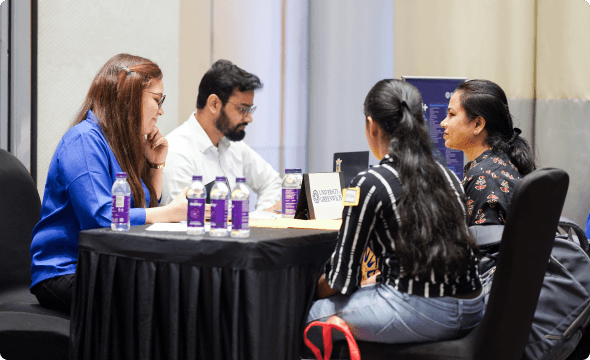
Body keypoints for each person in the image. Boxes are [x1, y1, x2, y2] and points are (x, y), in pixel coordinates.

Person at [305, 79, 483, 347]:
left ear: (371, 125)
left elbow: (341, 280)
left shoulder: (370, 183)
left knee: (309, 316)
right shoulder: (450, 176)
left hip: (423, 311)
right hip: (473, 308)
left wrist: (304, 291)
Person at [30, 54, 188, 313]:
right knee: (161, 297)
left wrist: (155, 167)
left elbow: (138, 213)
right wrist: (170, 213)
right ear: (130, 96)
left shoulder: (118, 143)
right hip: (64, 272)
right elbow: (101, 220)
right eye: (157, 99)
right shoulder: (83, 140)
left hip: (106, 266)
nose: (161, 110)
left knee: (178, 285)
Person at [161, 59, 281, 210]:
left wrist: (259, 219)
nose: (249, 118)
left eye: (250, 110)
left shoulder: (233, 146)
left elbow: (272, 182)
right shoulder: (177, 152)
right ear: (214, 104)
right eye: (243, 109)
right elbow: (183, 219)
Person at [440, 79, 536, 227]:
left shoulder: (485, 178)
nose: (443, 123)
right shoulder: (498, 163)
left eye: (452, 114)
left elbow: (484, 248)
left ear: (478, 124)